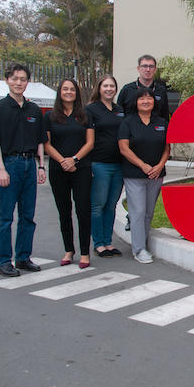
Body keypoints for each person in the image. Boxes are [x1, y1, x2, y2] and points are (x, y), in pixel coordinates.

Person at [0, 64, 48, 276]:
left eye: (22, 79)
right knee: (5, 217)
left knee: (28, 215)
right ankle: (3, 261)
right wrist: (0, 169)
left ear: (27, 82)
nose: (18, 82)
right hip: (9, 164)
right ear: (6, 80)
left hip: (30, 164)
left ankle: (23, 257)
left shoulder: (33, 110)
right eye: (14, 78)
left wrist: (41, 165)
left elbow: (40, 140)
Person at [44, 79, 95, 269]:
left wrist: (74, 160)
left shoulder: (85, 115)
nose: (68, 92)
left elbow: (90, 143)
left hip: (81, 169)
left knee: (83, 211)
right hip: (58, 170)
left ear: (77, 93)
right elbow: (46, 144)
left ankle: (84, 252)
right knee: (64, 212)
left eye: (72, 89)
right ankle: (68, 250)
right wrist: (63, 162)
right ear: (60, 92)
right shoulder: (49, 116)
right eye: (65, 89)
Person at [117, 54, 170, 232]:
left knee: (147, 208)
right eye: (144, 66)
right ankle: (132, 217)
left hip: (153, 146)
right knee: (136, 200)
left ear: (155, 69)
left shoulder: (161, 91)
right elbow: (119, 115)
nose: (148, 69)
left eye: (151, 66)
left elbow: (164, 118)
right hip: (131, 144)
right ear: (138, 68)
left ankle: (136, 222)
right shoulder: (127, 90)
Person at [118, 87, 170, 263]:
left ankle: (142, 242)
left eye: (149, 98)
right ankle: (139, 249)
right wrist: (143, 165)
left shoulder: (162, 122)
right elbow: (124, 148)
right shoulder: (128, 122)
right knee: (137, 211)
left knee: (148, 213)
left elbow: (167, 147)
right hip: (134, 175)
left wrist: (159, 166)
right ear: (136, 102)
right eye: (142, 98)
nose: (146, 101)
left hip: (156, 175)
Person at [85, 75, 125, 258]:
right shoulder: (90, 110)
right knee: (98, 206)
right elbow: (85, 139)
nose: (109, 89)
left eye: (112, 86)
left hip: (118, 165)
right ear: (99, 88)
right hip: (99, 164)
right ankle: (98, 243)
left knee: (111, 205)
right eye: (105, 86)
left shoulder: (120, 110)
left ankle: (108, 242)